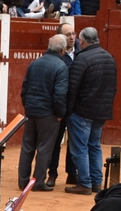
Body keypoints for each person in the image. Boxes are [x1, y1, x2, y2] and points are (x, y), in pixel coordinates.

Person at [64, 27, 116, 195]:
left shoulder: (82, 59)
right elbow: (112, 87)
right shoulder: (109, 58)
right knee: (94, 146)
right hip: (101, 111)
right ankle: (96, 183)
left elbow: (73, 88)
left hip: (83, 110)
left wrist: (69, 110)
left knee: (80, 148)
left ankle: (85, 183)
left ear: (83, 41)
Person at [18, 36, 69, 191]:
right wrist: (60, 113)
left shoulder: (34, 63)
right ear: (62, 50)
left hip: (32, 110)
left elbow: (24, 89)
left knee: (27, 146)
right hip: (48, 113)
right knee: (44, 148)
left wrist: (28, 106)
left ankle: (23, 181)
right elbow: (60, 95)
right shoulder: (61, 66)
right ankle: (38, 182)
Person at [45, 22, 78, 189]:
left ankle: (72, 174)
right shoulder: (54, 55)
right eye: (68, 34)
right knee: (55, 142)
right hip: (57, 106)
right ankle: (52, 174)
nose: (71, 37)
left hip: (76, 106)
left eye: (73, 33)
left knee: (75, 142)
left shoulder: (81, 53)